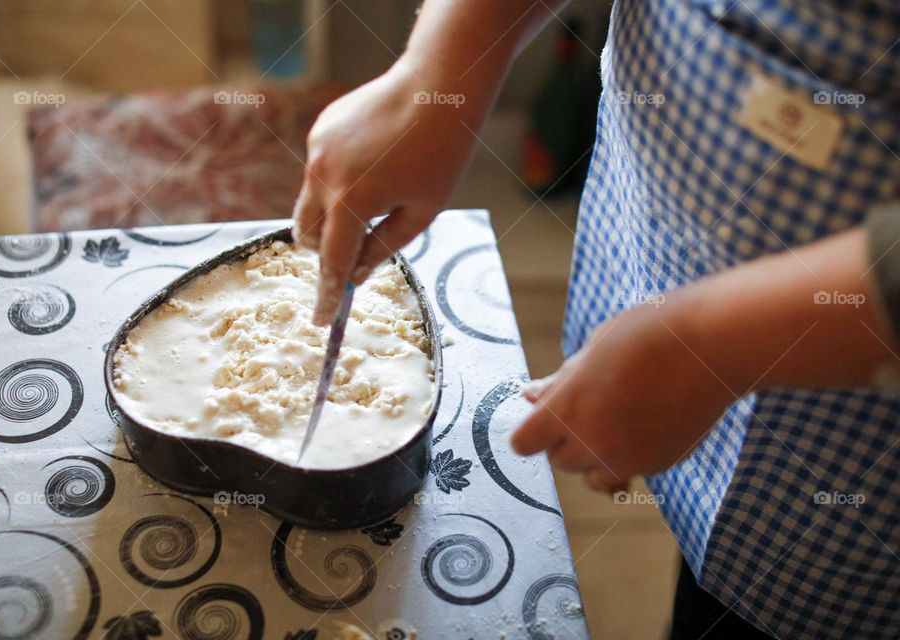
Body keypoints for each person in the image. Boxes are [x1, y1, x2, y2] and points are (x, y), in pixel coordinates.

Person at [292, 1, 900, 638]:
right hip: (667, 249)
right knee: (699, 553)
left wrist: (713, 346)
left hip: (851, 423)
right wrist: (440, 70)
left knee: (761, 590)